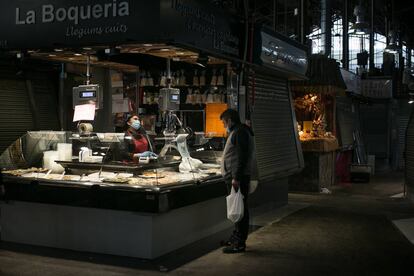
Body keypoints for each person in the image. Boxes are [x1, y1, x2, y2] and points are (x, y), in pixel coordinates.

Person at [220, 108, 255, 254]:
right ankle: (236, 238)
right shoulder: (239, 130)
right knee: (237, 208)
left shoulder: (240, 132)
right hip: (236, 177)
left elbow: (242, 156)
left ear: (229, 120)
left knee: (240, 209)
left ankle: (239, 243)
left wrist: (236, 177)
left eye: (224, 122)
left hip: (238, 178)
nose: (223, 125)